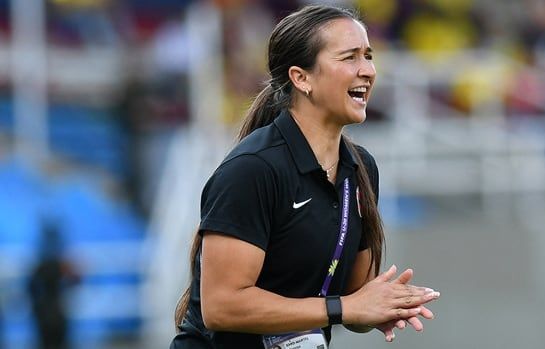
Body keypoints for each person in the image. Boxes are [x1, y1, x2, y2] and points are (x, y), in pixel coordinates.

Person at [170, 5, 440, 349]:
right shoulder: (254, 168)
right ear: (301, 78)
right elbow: (221, 307)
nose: (368, 71)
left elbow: (348, 302)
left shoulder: (361, 169)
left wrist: (378, 307)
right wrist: (346, 307)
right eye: (350, 58)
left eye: (369, 56)